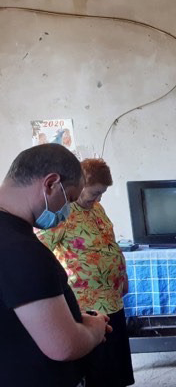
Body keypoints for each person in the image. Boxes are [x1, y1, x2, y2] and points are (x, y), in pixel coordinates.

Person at [0, 144, 110, 387]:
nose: (67, 211)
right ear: (51, 183)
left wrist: (66, 317)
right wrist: (94, 329)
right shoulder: (21, 250)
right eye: (69, 199)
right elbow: (64, 346)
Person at [37, 158, 134, 387]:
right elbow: (40, 252)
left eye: (102, 194)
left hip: (112, 298)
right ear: (79, 185)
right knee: (98, 370)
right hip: (86, 303)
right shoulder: (62, 214)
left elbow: (110, 244)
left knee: (115, 366)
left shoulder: (97, 209)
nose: (98, 199)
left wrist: (123, 276)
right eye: (94, 193)